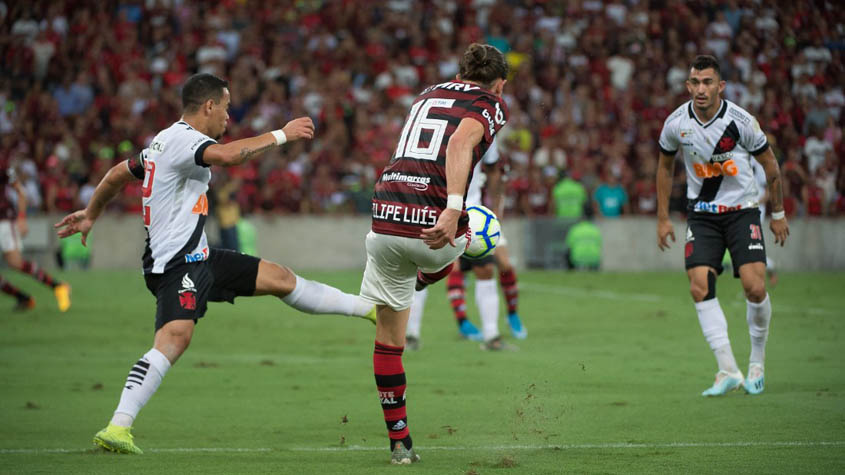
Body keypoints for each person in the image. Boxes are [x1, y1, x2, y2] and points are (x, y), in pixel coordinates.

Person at [55, 73, 376, 455]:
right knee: (175, 338)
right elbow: (230, 155)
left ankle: (371, 309)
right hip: (175, 264)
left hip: (199, 257)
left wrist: (91, 213)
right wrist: (282, 134)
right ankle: (118, 426)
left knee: (280, 278)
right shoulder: (185, 140)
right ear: (208, 106)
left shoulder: (162, 140)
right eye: (225, 107)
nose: (228, 116)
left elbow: (116, 175)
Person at [360, 43, 508, 464]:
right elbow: (460, 142)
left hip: (383, 214)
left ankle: (400, 443)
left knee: (389, 340)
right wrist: (455, 207)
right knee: (480, 233)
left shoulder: (427, 92)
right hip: (431, 224)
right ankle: (422, 279)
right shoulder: (492, 103)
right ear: (499, 83)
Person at [656, 55, 789, 397]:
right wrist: (662, 217)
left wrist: (776, 214)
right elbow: (664, 167)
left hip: (742, 211)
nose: (701, 89)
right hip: (701, 213)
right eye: (695, 83)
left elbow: (770, 165)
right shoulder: (675, 123)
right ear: (688, 86)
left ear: (720, 86)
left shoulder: (741, 121)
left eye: (707, 82)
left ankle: (756, 362)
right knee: (699, 285)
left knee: (754, 288)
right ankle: (728, 369)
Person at [406, 139, 526, 351]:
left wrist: (496, 210)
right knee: (422, 269)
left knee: (486, 268)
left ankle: (492, 336)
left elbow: (493, 170)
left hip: (472, 214)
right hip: (434, 211)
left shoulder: (483, 127)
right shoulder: (435, 124)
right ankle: (410, 336)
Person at [0, 163, 71, 311]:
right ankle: (23, 298)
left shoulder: (3, 164)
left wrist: (21, 218)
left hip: (4, 221)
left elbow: (20, 191)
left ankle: (58, 286)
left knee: (16, 263)